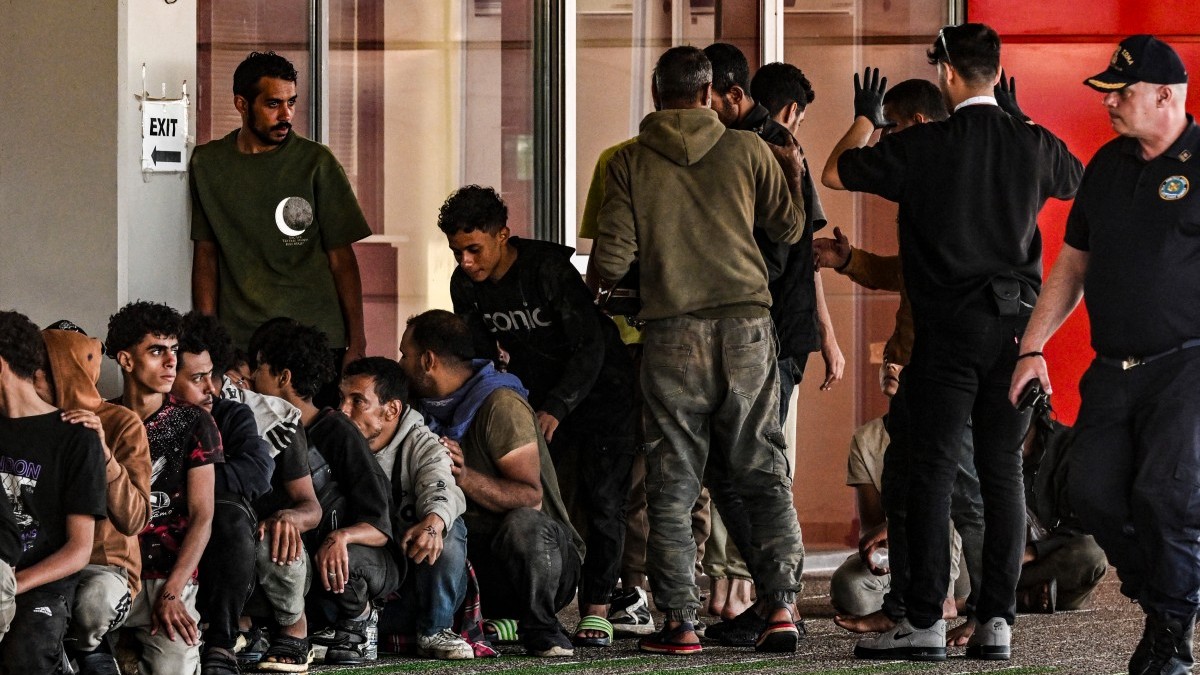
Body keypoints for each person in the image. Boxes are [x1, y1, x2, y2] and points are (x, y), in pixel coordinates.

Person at [823, 23, 1082, 661]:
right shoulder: (1031, 143)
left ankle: (925, 623)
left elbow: (835, 172)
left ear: (946, 73)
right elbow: (1074, 178)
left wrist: (865, 118)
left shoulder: (928, 144)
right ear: (997, 73)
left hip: (948, 333)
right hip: (1017, 331)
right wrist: (1027, 122)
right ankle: (996, 622)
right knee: (1002, 473)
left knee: (930, 471)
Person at [594, 45, 806, 655]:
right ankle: (781, 609)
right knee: (763, 471)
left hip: (671, 335)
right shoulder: (747, 150)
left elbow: (610, 261)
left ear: (656, 93)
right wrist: (788, 169)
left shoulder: (630, 162)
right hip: (746, 329)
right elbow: (788, 231)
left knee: (673, 479)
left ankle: (681, 623)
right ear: (709, 92)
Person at [1009, 33, 1199, 674]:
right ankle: (1166, 605)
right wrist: (1032, 347)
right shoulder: (1108, 167)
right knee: (1089, 493)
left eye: (1123, 92)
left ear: (1167, 95)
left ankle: (1169, 636)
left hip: (1187, 365)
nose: (1110, 103)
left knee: (1166, 497)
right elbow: (1072, 263)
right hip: (1113, 368)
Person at [440, 184, 634, 648]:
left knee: (604, 498)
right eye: (456, 251)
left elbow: (590, 346)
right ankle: (524, 606)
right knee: (540, 498)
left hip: (603, 391)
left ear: (503, 235)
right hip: (539, 398)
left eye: (474, 249)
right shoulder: (465, 283)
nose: (466, 261)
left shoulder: (547, 269)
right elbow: (480, 357)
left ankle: (598, 608)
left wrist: (557, 408)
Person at [189, 50, 372, 402]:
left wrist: (357, 342)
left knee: (315, 449)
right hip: (242, 343)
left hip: (315, 341)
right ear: (241, 104)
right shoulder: (208, 164)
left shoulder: (316, 163)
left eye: (291, 102)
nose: (286, 114)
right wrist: (208, 344)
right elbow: (206, 257)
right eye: (273, 103)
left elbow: (342, 260)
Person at [400, 310, 583, 658]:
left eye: (405, 355)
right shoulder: (421, 410)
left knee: (522, 523)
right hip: (479, 559)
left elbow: (530, 498)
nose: (401, 364)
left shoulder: (501, 404)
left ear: (427, 361)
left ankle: (542, 628)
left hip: (543, 562)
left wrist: (464, 476)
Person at [251, 320, 399, 666]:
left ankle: (359, 619)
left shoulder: (336, 431)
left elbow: (380, 523)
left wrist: (340, 538)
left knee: (345, 556)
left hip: (361, 556)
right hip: (303, 557)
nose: (252, 378)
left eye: (259, 368)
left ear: (283, 378)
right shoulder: (260, 430)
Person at [106, 301, 222, 675]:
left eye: (173, 350)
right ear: (125, 360)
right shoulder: (99, 419)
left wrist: (174, 590)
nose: (171, 362)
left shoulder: (194, 422)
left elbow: (204, 516)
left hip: (167, 576)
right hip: (108, 572)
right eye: (157, 351)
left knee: (177, 669)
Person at [338, 356, 473, 661]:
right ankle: (349, 627)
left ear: (392, 409)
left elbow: (441, 486)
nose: (343, 410)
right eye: (342, 398)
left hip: (418, 584)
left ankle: (435, 629)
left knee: (449, 530)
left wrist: (433, 523)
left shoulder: (424, 444)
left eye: (357, 401)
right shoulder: (335, 441)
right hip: (369, 579)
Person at [38, 322, 152, 675]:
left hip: (102, 568)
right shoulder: (26, 420)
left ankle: (90, 646)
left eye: (41, 370)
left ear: (64, 372)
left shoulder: (121, 423)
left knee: (94, 602)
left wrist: (100, 449)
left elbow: (135, 518)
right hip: (42, 563)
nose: (32, 379)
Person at [0, 310, 106, 673]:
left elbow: (79, 550)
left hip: (43, 585)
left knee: (26, 653)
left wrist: (14, 584)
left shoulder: (76, 437)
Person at [172, 311, 274, 674]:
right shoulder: (134, 418)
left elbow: (258, 473)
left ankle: (222, 641)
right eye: (197, 377)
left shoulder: (231, 415)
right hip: (153, 534)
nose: (212, 388)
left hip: (220, 535)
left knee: (228, 512)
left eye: (212, 374)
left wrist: (191, 485)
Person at [830, 361, 970, 620]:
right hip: (899, 550)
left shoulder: (945, 425)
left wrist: (906, 523)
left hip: (952, 557)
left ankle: (946, 600)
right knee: (848, 588)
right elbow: (871, 526)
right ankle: (945, 602)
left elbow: (962, 511)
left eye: (902, 357)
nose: (891, 366)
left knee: (939, 515)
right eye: (886, 358)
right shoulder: (866, 438)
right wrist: (887, 540)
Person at [221, 340, 322, 672]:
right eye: (227, 381)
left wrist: (288, 516)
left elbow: (312, 507)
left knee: (277, 534)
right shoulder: (189, 420)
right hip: (227, 555)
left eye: (244, 382)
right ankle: (240, 629)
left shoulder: (277, 421)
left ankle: (296, 629)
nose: (234, 390)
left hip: (273, 555)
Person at [1016, 398, 1108, 615]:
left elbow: (1083, 523)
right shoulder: (975, 444)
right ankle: (1024, 599)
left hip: (1043, 559)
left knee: (1090, 556)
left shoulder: (1070, 446)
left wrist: (1033, 552)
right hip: (988, 558)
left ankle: (982, 599)